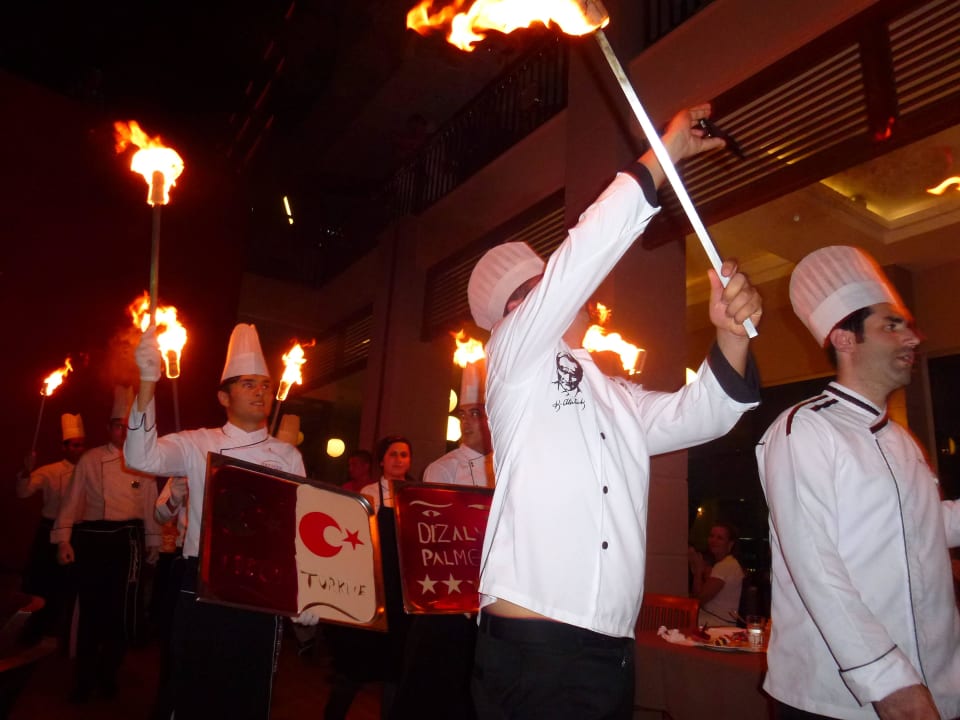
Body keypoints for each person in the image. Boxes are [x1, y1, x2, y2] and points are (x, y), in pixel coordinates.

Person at [467, 104, 763, 720]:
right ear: (518, 308)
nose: (562, 288)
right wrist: (665, 154)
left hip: (610, 644)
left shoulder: (610, 389)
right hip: (535, 643)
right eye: (544, 284)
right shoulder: (511, 357)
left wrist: (731, 332)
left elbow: (703, 414)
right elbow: (584, 255)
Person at [757, 245, 960, 720]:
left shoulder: (904, 443)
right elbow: (814, 564)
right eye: (892, 325)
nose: (912, 338)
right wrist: (890, 683)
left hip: (935, 686)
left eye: (908, 325)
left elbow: (925, 527)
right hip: (839, 699)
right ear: (844, 338)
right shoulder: (803, 428)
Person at [125, 323, 306, 720]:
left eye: (265, 385)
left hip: (261, 586)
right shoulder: (197, 442)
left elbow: (297, 525)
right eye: (249, 384)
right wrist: (147, 382)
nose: (261, 392)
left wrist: (303, 588)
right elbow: (142, 459)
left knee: (250, 688)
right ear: (224, 396)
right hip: (204, 581)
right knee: (195, 683)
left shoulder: (287, 456)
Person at [52, 388, 160, 702]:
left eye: (128, 426)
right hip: (93, 541)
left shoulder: (144, 463)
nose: (123, 432)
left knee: (121, 612)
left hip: (129, 544)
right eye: (117, 426)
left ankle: (109, 673)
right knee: (90, 613)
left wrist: (153, 541)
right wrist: (63, 540)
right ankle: (83, 680)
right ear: (108, 428)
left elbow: (151, 505)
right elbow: (72, 501)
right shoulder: (90, 458)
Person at [15, 412, 85, 640]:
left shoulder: (89, 471)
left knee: (67, 588)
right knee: (43, 586)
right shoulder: (50, 471)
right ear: (64, 447)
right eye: (74, 446)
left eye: (81, 445)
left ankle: (61, 636)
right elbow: (23, 492)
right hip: (49, 533)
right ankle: (29, 633)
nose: (79, 450)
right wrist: (27, 470)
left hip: (76, 534)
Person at [422, 359, 494, 488]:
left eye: (475, 413)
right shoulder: (442, 469)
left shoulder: (500, 464)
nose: (466, 421)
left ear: (489, 419)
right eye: (462, 414)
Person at [689, 522, 744, 627]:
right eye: (711, 536)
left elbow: (698, 600)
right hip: (712, 618)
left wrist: (698, 571)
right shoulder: (724, 564)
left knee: (674, 620)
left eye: (720, 538)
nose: (713, 540)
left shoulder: (725, 566)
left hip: (719, 623)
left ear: (730, 544)